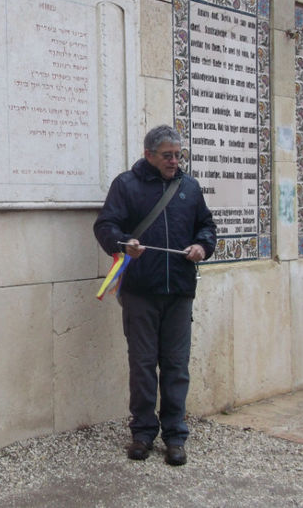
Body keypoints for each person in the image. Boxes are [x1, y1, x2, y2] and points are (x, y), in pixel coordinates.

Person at [93, 124, 217, 466]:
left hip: (179, 290)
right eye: (168, 156)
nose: (175, 161)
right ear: (149, 155)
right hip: (140, 292)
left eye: (179, 155)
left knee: (176, 366)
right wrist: (123, 244)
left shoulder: (189, 188)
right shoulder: (126, 185)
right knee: (143, 364)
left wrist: (201, 247)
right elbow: (105, 226)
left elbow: (207, 226)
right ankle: (143, 432)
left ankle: (175, 435)